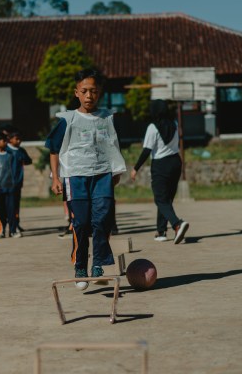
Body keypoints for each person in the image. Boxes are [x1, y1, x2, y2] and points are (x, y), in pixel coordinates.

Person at [45, 68, 126, 290]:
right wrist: (56, 178)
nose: (89, 95)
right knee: (80, 223)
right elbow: (53, 150)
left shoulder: (107, 118)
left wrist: (116, 171)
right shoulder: (68, 120)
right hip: (75, 177)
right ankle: (80, 265)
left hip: (102, 176)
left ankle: (98, 263)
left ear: (99, 93)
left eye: (94, 91)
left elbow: (113, 145)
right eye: (85, 91)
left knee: (102, 220)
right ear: (76, 93)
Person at [130, 99, 189, 244]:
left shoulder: (153, 127)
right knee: (166, 199)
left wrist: (135, 168)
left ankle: (177, 224)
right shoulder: (174, 124)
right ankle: (161, 231)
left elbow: (147, 150)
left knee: (160, 199)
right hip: (175, 163)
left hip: (161, 165)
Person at [7, 130, 32, 235]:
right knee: (9, 206)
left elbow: (28, 161)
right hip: (7, 183)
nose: (19, 141)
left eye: (20, 139)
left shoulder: (20, 150)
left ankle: (16, 225)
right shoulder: (6, 150)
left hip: (18, 183)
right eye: (16, 139)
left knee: (16, 206)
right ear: (10, 139)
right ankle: (9, 228)